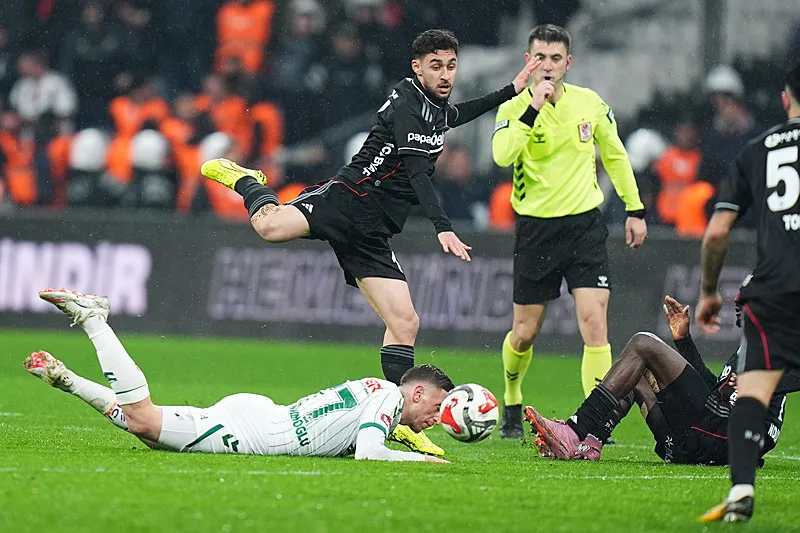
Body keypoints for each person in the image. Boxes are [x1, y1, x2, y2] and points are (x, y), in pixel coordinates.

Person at [200, 29, 539, 457]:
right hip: (346, 201)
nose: (445, 74)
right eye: (436, 66)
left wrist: (512, 89)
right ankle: (248, 180)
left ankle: (395, 420)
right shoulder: (407, 104)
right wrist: (442, 226)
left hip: (374, 229)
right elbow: (417, 172)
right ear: (417, 67)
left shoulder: (434, 106)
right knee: (268, 228)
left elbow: (457, 115)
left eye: (451, 66)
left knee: (405, 323)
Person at [25, 289, 452, 463]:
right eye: (436, 406)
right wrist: (427, 462)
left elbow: (361, 439)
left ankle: (67, 380)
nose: (437, 418)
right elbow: (370, 453)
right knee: (144, 421)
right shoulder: (389, 398)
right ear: (416, 393)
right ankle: (94, 319)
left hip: (265, 418)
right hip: (257, 433)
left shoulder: (380, 394)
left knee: (150, 433)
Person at [491, 24, 647, 438]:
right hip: (536, 230)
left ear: (568, 63)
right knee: (524, 333)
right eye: (540, 58)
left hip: (584, 226)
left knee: (595, 324)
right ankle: (512, 396)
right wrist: (532, 108)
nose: (548, 66)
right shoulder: (513, 106)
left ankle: (595, 424)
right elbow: (502, 154)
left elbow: (615, 155)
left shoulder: (589, 103)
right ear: (528, 61)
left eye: (556, 58)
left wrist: (635, 208)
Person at [694, 63, 800, 522]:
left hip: (774, 288)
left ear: (785, 98)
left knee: (753, 391)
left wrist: (709, 291)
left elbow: (717, 232)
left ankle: (740, 490)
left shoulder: (758, 150)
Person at [523, 292, 795, 466]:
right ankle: (589, 442)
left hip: (726, 437)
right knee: (637, 371)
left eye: (747, 297)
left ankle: (573, 431)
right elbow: (712, 389)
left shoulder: (782, 346)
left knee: (644, 343)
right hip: (697, 440)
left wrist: (763, 382)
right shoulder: (749, 348)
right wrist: (683, 340)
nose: (737, 302)